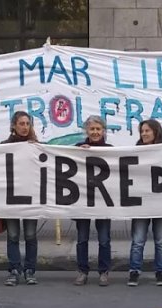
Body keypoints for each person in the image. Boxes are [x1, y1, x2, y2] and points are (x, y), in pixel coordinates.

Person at [127, 119, 162, 287]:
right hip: (141, 202)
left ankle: (160, 273)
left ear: (155, 132)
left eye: (147, 131)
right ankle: (134, 271)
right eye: (142, 131)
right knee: (138, 240)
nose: (144, 134)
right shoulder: (135, 151)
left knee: (161, 241)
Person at [73, 115, 113, 287]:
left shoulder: (111, 150)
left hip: (103, 202)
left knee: (104, 239)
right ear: (86, 131)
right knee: (82, 239)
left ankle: (104, 272)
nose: (95, 132)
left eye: (98, 129)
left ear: (103, 131)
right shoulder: (77, 148)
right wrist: (79, 153)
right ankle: (82, 271)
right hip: (82, 201)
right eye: (92, 129)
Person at [0, 111, 39, 286]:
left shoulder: (37, 146)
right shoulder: (3, 147)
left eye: (27, 124)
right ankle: (14, 269)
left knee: (30, 235)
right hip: (11, 198)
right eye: (21, 124)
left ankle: (30, 270)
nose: (25, 127)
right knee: (13, 235)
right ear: (14, 126)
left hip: (31, 197)